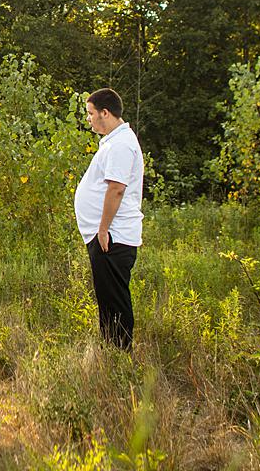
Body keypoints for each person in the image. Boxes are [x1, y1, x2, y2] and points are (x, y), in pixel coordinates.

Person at [73, 87, 144, 351]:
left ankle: (120, 354)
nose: (89, 119)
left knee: (114, 300)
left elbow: (116, 188)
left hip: (112, 237)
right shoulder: (115, 142)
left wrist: (103, 230)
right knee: (107, 298)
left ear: (106, 112)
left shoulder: (122, 145)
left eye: (91, 113)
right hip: (107, 236)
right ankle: (112, 352)